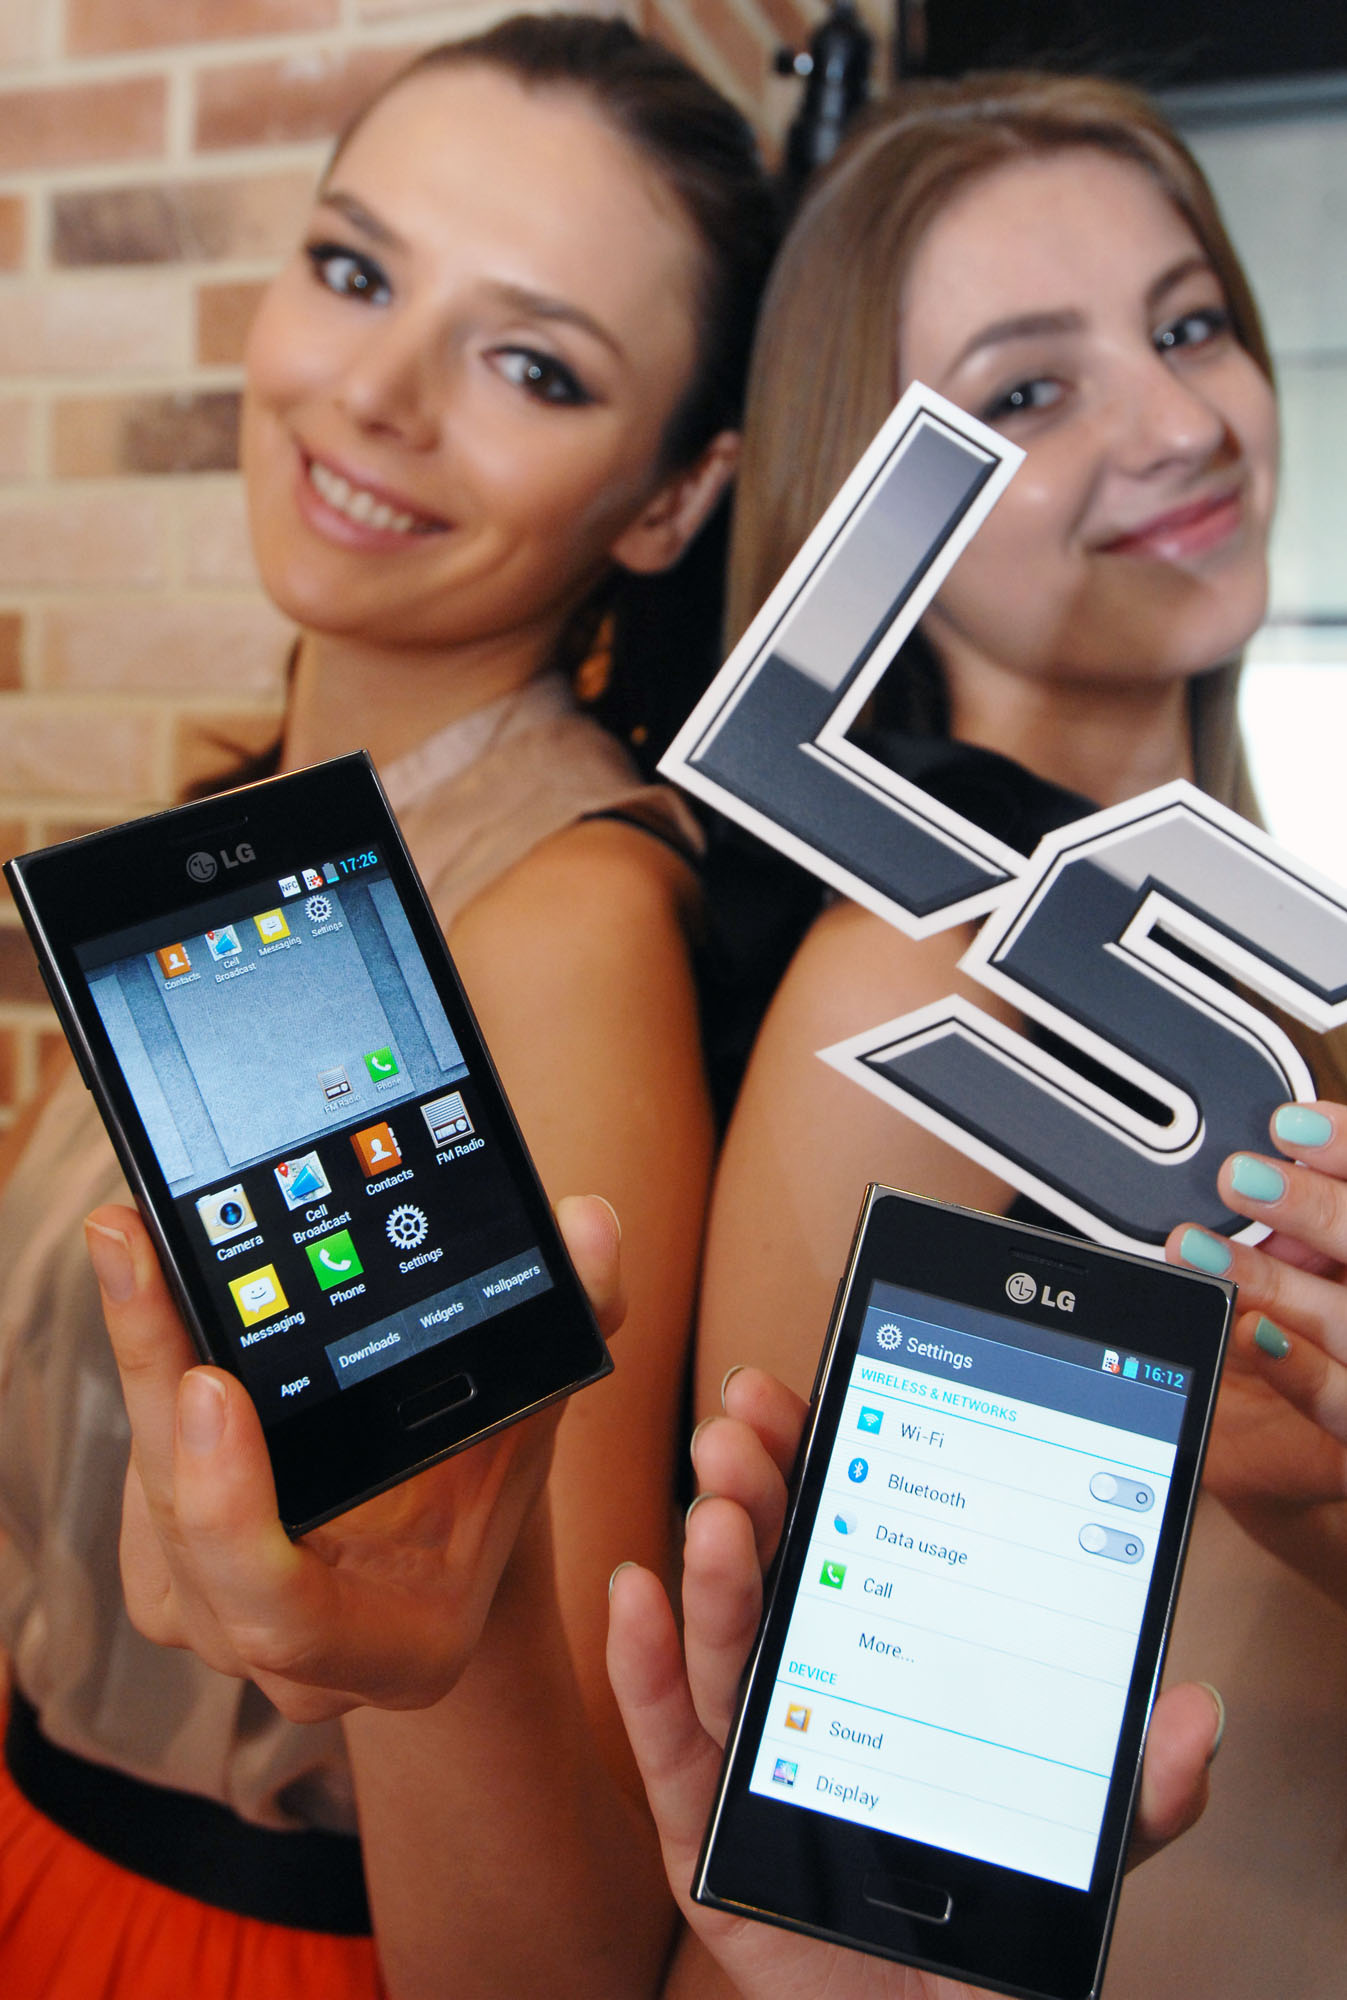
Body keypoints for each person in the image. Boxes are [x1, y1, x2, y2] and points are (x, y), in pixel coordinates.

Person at [0, 16, 777, 1998]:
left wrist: (394, 1642)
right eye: (354, 272)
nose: (373, 395)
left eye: (530, 363)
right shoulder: (243, 844)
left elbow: (549, 1936)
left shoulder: (559, 919)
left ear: (670, 499)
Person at [684, 72, 1347, 2000]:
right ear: (863, 516)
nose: (1177, 420)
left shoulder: (1269, 957)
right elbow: (817, 1874)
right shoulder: (921, 999)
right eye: (1028, 391)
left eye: (1190, 322)